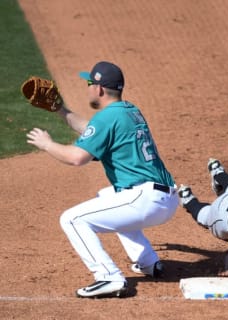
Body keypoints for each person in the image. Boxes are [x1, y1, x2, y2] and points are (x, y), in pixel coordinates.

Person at [26, 61, 178, 298]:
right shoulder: (129, 111)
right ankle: (149, 263)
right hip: (164, 197)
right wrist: (60, 109)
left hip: (146, 200)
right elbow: (91, 130)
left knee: (72, 219)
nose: (87, 87)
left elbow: (77, 157)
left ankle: (108, 277)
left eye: (89, 83)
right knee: (107, 198)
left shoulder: (107, 119)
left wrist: (47, 144)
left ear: (99, 89)